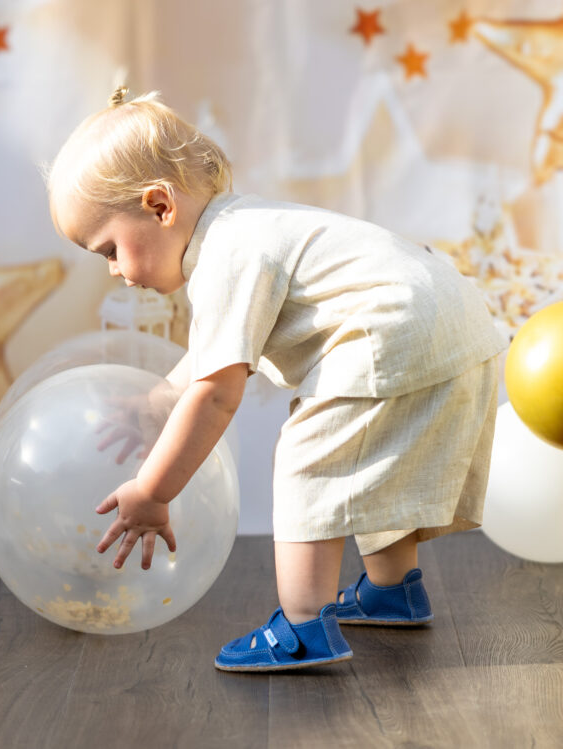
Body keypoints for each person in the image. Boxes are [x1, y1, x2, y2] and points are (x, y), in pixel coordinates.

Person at [47, 87, 507, 672]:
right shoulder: (246, 229)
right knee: (378, 461)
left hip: (395, 331)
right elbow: (218, 354)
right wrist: (163, 397)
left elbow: (217, 393)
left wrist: (153, 491)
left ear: (160, 205)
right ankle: (393, 591)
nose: (115, 272)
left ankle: (302, 629)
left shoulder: (225, 256)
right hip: (455, 321)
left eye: (110, 249)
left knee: (307, 461)